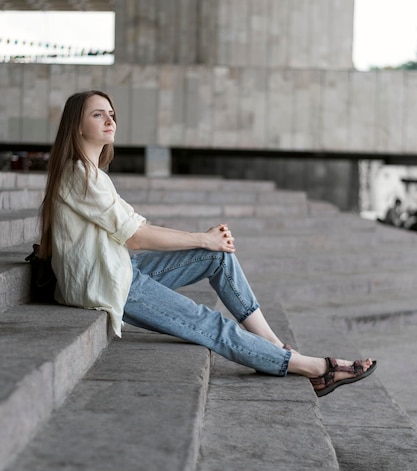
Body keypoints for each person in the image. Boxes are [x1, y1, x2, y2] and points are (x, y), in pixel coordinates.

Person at [39, 90, 376, 398]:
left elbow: (137, 228)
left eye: (111, 113)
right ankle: (315, 369)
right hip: (106, 285)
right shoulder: (79, 175)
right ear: (77, 125)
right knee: (208, 322)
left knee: (217, 258)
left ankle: (273, 345)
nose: (110, 120)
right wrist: (204, 238)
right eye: (98, 114)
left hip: (119, 269)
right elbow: (136, 237)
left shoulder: (93, 174)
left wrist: (208, 244)